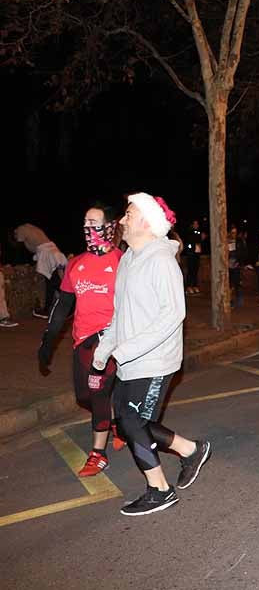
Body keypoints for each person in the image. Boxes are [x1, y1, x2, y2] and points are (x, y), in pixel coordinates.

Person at [92, 193, 211, 516]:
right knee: (128, 421)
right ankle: (191, 449)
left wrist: (126, 350)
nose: (122, 220)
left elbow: (172, 314)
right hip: (132, 359)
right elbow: (121, 312)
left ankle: (159, 489)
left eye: (129, 214)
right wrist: (105, 349)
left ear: (146, 221)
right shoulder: (129, 259)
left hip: (156, 360)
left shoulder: (160, 259)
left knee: (132, 422)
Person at [38, 202, 123, 476]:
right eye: (85, 222)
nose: (89, 227)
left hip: (110, 339)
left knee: (97, 392)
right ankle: (115, 422)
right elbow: (62, 306)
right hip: (82, 340)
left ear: (110, 227)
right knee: (84, 395)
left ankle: (98, 454)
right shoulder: (76, 264)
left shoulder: (123, 261)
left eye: (94, 222)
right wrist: (48, 342)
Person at [15, 223, 68, 318]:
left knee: (53, 282)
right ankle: (50, 308)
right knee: (53, 282)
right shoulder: (33, 228)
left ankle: (67, 305)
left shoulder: (21, 229)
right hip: (54, 250)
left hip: (46, 253)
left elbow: (18, 246)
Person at [181, 219, 205, 294]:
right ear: (192, 225)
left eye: (197, 224)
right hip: (191, 254)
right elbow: (192, 240)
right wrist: (200, 238)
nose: (196, 225)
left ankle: (195, 286)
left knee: (195, 270)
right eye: (194, 224)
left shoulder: (198, 232)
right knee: (190, 270)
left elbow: (199, 242)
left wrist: (201, 238)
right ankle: (188, 286)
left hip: (197, 254)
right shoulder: (189, 232)